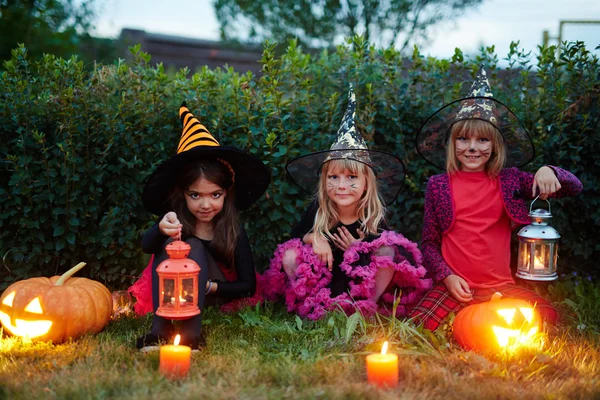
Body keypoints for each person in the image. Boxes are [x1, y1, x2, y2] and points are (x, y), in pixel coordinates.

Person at [410, 66, 583, 331]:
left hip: (500, 286)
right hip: (457, 284)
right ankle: (464, 317)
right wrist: (447, 277)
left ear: (494, 146)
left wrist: (550, 170)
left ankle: (475, 318)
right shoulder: (438, 185)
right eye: (463, 139)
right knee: (417, 326)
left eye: (482, 140)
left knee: (547, 318)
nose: (472, 147)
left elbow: (574, 187)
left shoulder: (510, 180)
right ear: (453, 144)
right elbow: (430, 243)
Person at [260, 86, 432, 320]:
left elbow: (381, 250)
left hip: (357, 284)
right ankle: (309, 308)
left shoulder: (372, 214)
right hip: (324, 281)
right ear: (324, 181)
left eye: (351, 178)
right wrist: (315, 238)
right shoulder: (319, 210)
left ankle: (365, 309)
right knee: (290, 254)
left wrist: (357, 247)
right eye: (334, 177)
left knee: (389, 250)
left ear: (366, 183)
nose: (342, 186)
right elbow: (296, 237)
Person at [130, 102, 270, 350]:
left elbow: (248, 286)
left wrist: (208, 287)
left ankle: (192, 332)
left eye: (215, 195)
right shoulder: (175, 219)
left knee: (193, 245)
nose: (206, 204)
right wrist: (161, 228)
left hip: (215, 294)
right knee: (181, 241)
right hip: (171, 292)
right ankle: (160, 329)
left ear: (226, 193)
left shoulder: (231, 228)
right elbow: (146, 246)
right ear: (183, 193)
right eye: (196, 195)